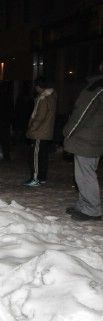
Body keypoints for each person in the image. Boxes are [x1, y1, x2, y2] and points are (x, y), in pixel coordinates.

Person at [63, 61, 103, 222]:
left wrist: (67, 132)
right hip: (96, 137)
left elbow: (82, 112)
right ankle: (84, 204)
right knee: (86, 172)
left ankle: (92, 209)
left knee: (85, 174)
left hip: (87, 137)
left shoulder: (97, 86)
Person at [23, 77, 57, 187]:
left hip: (39, 132)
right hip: (46, 132)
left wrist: (32, 128)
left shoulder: (43, 98)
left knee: (35, 156)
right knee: (43, 156)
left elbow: (40, 116)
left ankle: (35, 178)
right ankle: (42, 177)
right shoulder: (52, 97)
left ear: (39, 87)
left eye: (36, 86)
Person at [0, 81, 14, 161]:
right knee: (5, 140)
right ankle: (6, 156)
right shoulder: (8, 98)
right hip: (5, 122)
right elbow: (11, 111)